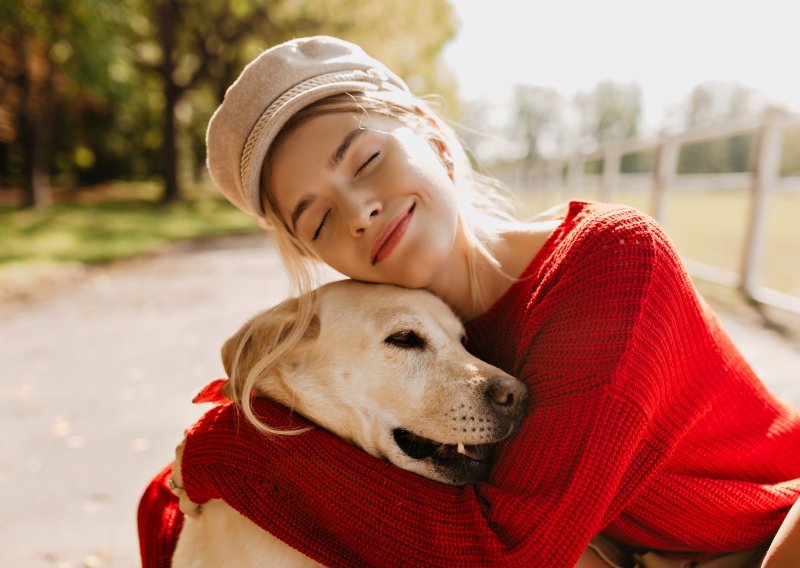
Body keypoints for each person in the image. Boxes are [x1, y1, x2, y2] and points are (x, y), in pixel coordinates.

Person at [137, 36, 800, 567]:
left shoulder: (610, 260)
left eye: (365, 160)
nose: (360, 210)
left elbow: (509, 554)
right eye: (316, 221)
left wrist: (236, 451)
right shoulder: (387, 348)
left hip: (760, 540)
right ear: (314, 256)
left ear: (427, 131)